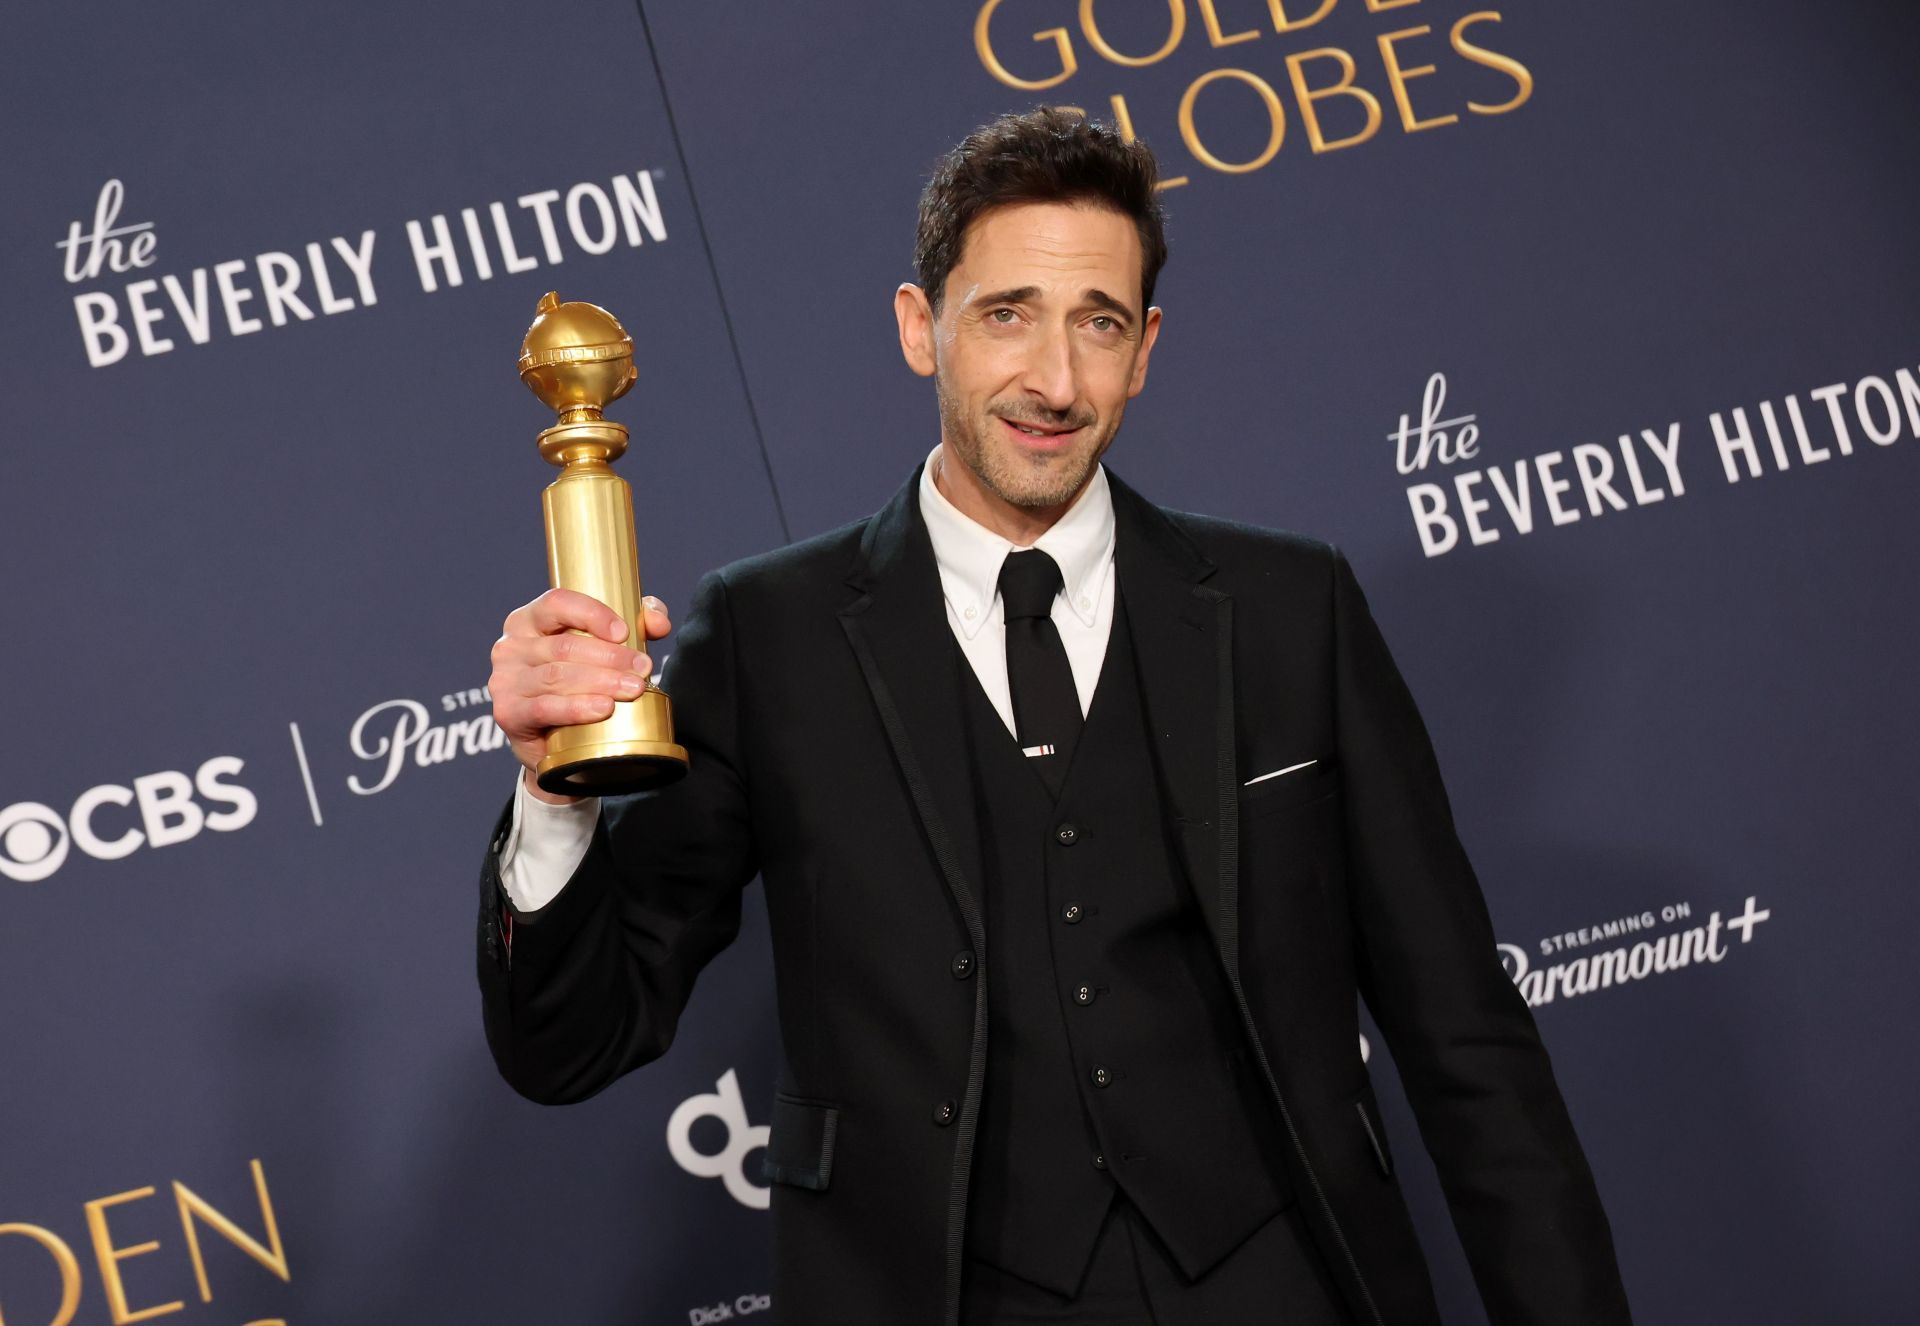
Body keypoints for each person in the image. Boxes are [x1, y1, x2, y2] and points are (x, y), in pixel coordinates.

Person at [476, 107, 1632, 1326]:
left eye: (1100, 324)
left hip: (1282, 1286)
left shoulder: (1290, 609)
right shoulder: (769, 637)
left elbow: (1469, 1047)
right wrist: (554, 796)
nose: (1056, 381)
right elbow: (573, 1043)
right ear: (923, 330)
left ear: (1146, 348)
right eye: (1008, 314)